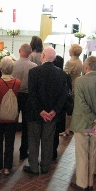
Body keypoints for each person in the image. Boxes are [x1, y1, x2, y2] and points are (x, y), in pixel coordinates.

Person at [70, 56, 96, 191]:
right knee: (92, 152)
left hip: (82, 123)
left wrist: (93, 119)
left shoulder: (79, 81)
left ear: (86, 67)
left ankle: (82, 184)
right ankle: (90, 182)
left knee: (82, 153)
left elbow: (81, 104)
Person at [24, 47, 67, 175]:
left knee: (33, 140)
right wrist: (54, 111)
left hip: (35, 114)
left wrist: (40, 111)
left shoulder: (33, 72)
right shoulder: (62, 74)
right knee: (48, 141)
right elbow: (63, 95)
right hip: (52, 115)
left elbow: (32, 94)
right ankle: (45, 166)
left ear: (42, 56)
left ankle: (33, 167)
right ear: (54, 58)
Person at [0, 57, 21, 175]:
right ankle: (7, 167)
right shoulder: (17, 82)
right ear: (12, 69)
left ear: (1, 68)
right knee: (10, 142)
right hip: (12, 118)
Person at [11, 44, 37, 160]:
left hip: (15, 95)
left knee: (12, 122)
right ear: (30, 52)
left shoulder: (13, 65)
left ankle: (9, 150)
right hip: (28, 97)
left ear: (19, 51)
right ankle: (23, 150)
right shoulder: (34, 67)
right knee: (26, 125)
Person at [63, 44, 83, 135]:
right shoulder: (80, 61)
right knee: (74, 107)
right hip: (78, 85)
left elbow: (65, 75)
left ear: (72, 51)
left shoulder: (70, 62)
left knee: (69, 108)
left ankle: (67, 128)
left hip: (70, 86)